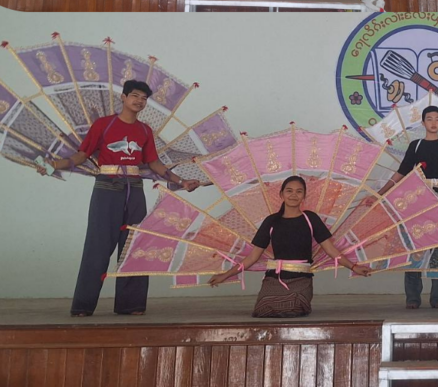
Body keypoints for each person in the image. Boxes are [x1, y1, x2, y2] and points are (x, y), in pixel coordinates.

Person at [45, 80, 200, 316]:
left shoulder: (145, 130)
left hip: (135, 189)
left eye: (144, 98)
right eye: (135, 96)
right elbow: (82, 155)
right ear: (124, 97)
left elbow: (154, 163)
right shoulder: (104, 124)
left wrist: (182, 182)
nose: (139, 101)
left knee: (135, 246)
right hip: (107, 189)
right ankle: (83, 306)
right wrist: (55, 164)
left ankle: (131, 304)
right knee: (97, 246)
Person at [208, 176, 370, 317]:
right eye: (289, 191)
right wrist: (225, 275)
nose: (294, 195)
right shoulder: (271, 221)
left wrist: (354, 267)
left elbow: (331, 250)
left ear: (304, 196)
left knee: (293, 307)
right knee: (263, 309)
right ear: (281, 194)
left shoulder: (311, 219)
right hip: (274, 279)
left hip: (301, 279)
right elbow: (252, 257)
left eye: (299, 191)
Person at [379, 105, 438, 309]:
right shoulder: (416, 145)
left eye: (437, 119)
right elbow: (402, 171)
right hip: (418, 201)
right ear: (423, 123)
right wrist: (381, 192)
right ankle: (412, 297)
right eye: (429, 119)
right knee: (415, 246)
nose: (433, 122)